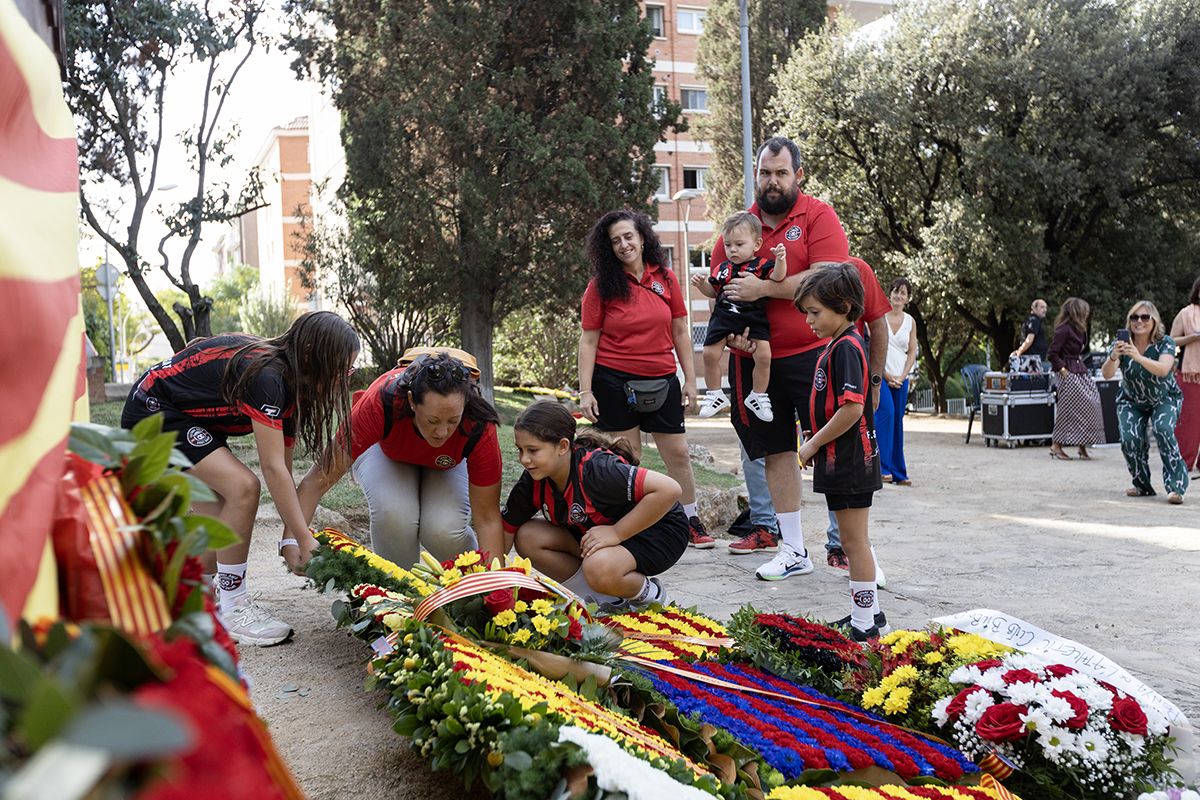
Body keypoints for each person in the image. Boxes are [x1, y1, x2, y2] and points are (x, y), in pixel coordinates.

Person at [122, 311, 360, 646]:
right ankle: (234, 608)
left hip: (185, 418)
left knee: (220, 514)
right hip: (152, 410)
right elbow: (271, 468)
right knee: (243, 488)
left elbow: (285, 471)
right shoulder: (268, 378)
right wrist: (306, 539)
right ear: (312, 356)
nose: (344, 379)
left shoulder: (292, 383)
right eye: (341, 370)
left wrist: (291, 538)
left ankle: (199, 605)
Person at [712, 136, 888, 581]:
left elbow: (830, 279)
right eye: (765, 173)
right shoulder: (738, 226)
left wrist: (767, 289)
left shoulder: (818, 214)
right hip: (758, 363)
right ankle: (793, 549)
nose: (772, 182)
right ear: (755, 175)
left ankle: (851, 548)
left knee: (834, 446)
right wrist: (732, 338)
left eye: (781, 173)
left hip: (817, 355)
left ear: (798, 176)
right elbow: (724, 290)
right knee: (775, 451)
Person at [295, 349, 506, 568]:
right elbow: (317, 481)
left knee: (443, 529)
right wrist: (292, 541)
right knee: (394, 514)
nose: (442, 432)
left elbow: (488, 518)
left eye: (453, 420)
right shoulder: (381, 401)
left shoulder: (479, 423)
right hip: (386, 452)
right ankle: (400, 592)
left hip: (446, 465)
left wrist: (499, 591)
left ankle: (474, 583)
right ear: (412, 401)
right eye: (433, 420)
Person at [578, 209, 714, 548]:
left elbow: (681, 330)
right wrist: (585, 391)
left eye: (628, 236)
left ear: (642, 238)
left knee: (678, 454)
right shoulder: (601, 287)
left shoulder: (665, 278)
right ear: (607, 248)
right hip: (613, 381)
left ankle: (690, 520)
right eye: (615, 241)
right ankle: (635, 527)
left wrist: (690, 381)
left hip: (662, 378)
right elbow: (589, 339)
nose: (624, 244)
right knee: (628, 457)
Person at [504, 401, 688, 610]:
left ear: (563, 447)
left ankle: (649, 594)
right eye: (520, 450)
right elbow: (505, 529)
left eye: (533, 450)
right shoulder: (534, 478)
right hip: (604, 538)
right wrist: (490, 585)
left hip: (659, 530)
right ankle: (606, 601)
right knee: (528, 536)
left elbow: (669, 489)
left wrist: (617, 532)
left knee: (598, 566)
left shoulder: (597, 469)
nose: (524, 459)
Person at [794, 265, 886, 641]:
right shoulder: (837, 344)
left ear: (844, 307)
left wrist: (814, 442)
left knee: (853, 542)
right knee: (851, 540)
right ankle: (871, 614)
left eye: (815, 313)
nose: (809, 321)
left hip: (851, 460)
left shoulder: (848, 346)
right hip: (839, 461)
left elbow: (851, 407)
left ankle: (864, 624)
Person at [692, 212, 788, 422]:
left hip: (753, 318)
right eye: (728, 245)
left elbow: (778, 278)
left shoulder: (762, 265)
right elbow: (713, 291)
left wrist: (781, 260)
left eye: (739, 244)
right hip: (724, 317)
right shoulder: (722, 268)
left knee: (763, 356)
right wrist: (702, 285)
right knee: (709, 353)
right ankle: (715, 393)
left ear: (756, 243)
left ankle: (758, 395)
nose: (732, 249)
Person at [1102, 301, 1188, 504]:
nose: (1139, 321)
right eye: (1134, 317)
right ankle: (1142, 484)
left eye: (1144, 317)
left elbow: (1163, 369)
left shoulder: (1165, 342)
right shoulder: (1121, 343)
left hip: (1164, 398)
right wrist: (1114, 355)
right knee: (1129, 438)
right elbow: (1107, 374)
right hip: (1132, 400)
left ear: (1154, 321)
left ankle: (1176, 487)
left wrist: (1137, 356)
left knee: (1163, 429)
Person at [1046, 298, 1105, 461]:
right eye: (1084, 311)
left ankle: (1082, 445)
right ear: (1076, 312)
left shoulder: (1080, 330)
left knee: (1092, 403)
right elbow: (1052, 354)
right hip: (1067, 370)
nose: (1087, 313)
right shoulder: (1063, 330)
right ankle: (1056, 445)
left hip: (1079, 369)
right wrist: (1063, 370)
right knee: (1069, 406)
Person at [875, 277, 917, 485]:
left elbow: (912, 352)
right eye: (896, 291)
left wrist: (902, 376)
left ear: (908, 298)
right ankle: (881, 468)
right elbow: (872, 348)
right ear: (889, 293)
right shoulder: (879, 317)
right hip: (881, 377)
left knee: (897, 422)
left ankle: (898, 473)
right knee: (886, 414)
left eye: (903, 293)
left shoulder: (910, 321)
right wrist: (885, 375)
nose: (899, 296)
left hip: (901, 378)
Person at [1169, 276, 1200, 476]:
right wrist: (1193, 337)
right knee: (1189, 420)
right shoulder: (1185, 313)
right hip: (1190, 374)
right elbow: (1170, 341)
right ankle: (1184, 462)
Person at [1011, 298, 1050, 369]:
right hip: (1032, 361)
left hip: (1036, 360)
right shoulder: (1034, 320)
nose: (1045, 310)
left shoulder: (1036, 321)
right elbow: (1029, 339)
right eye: (1042, 307)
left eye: (1046, 307)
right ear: (1034, 308)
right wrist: (1019, 352)